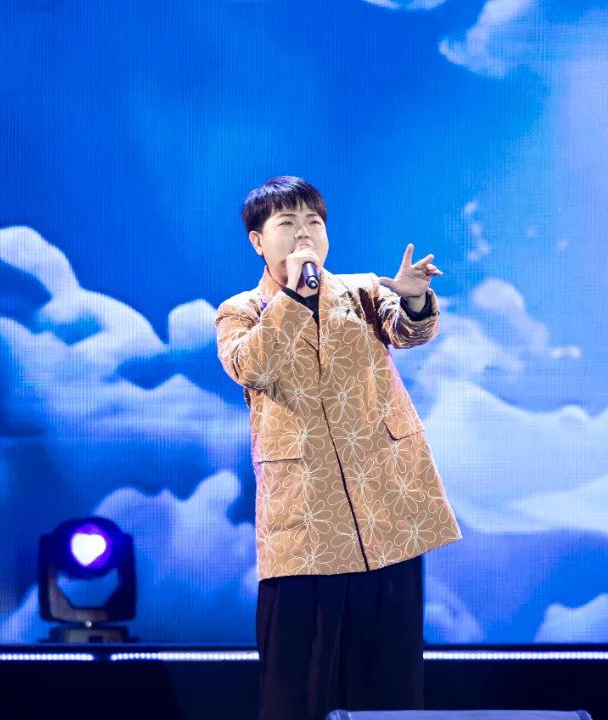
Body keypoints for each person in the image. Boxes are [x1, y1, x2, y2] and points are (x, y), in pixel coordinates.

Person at [215, 176, 461, 720]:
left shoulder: (363, 291)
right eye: (287, 223)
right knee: (299, 687)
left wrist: (414, 298)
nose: (304, 233)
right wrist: (294, 298)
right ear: (258, 241)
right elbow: (250, 366)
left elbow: (410, 331)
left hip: (386, 509)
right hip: (305, 522)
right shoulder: (241, 311)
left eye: (314, 222)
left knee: (389, 685)